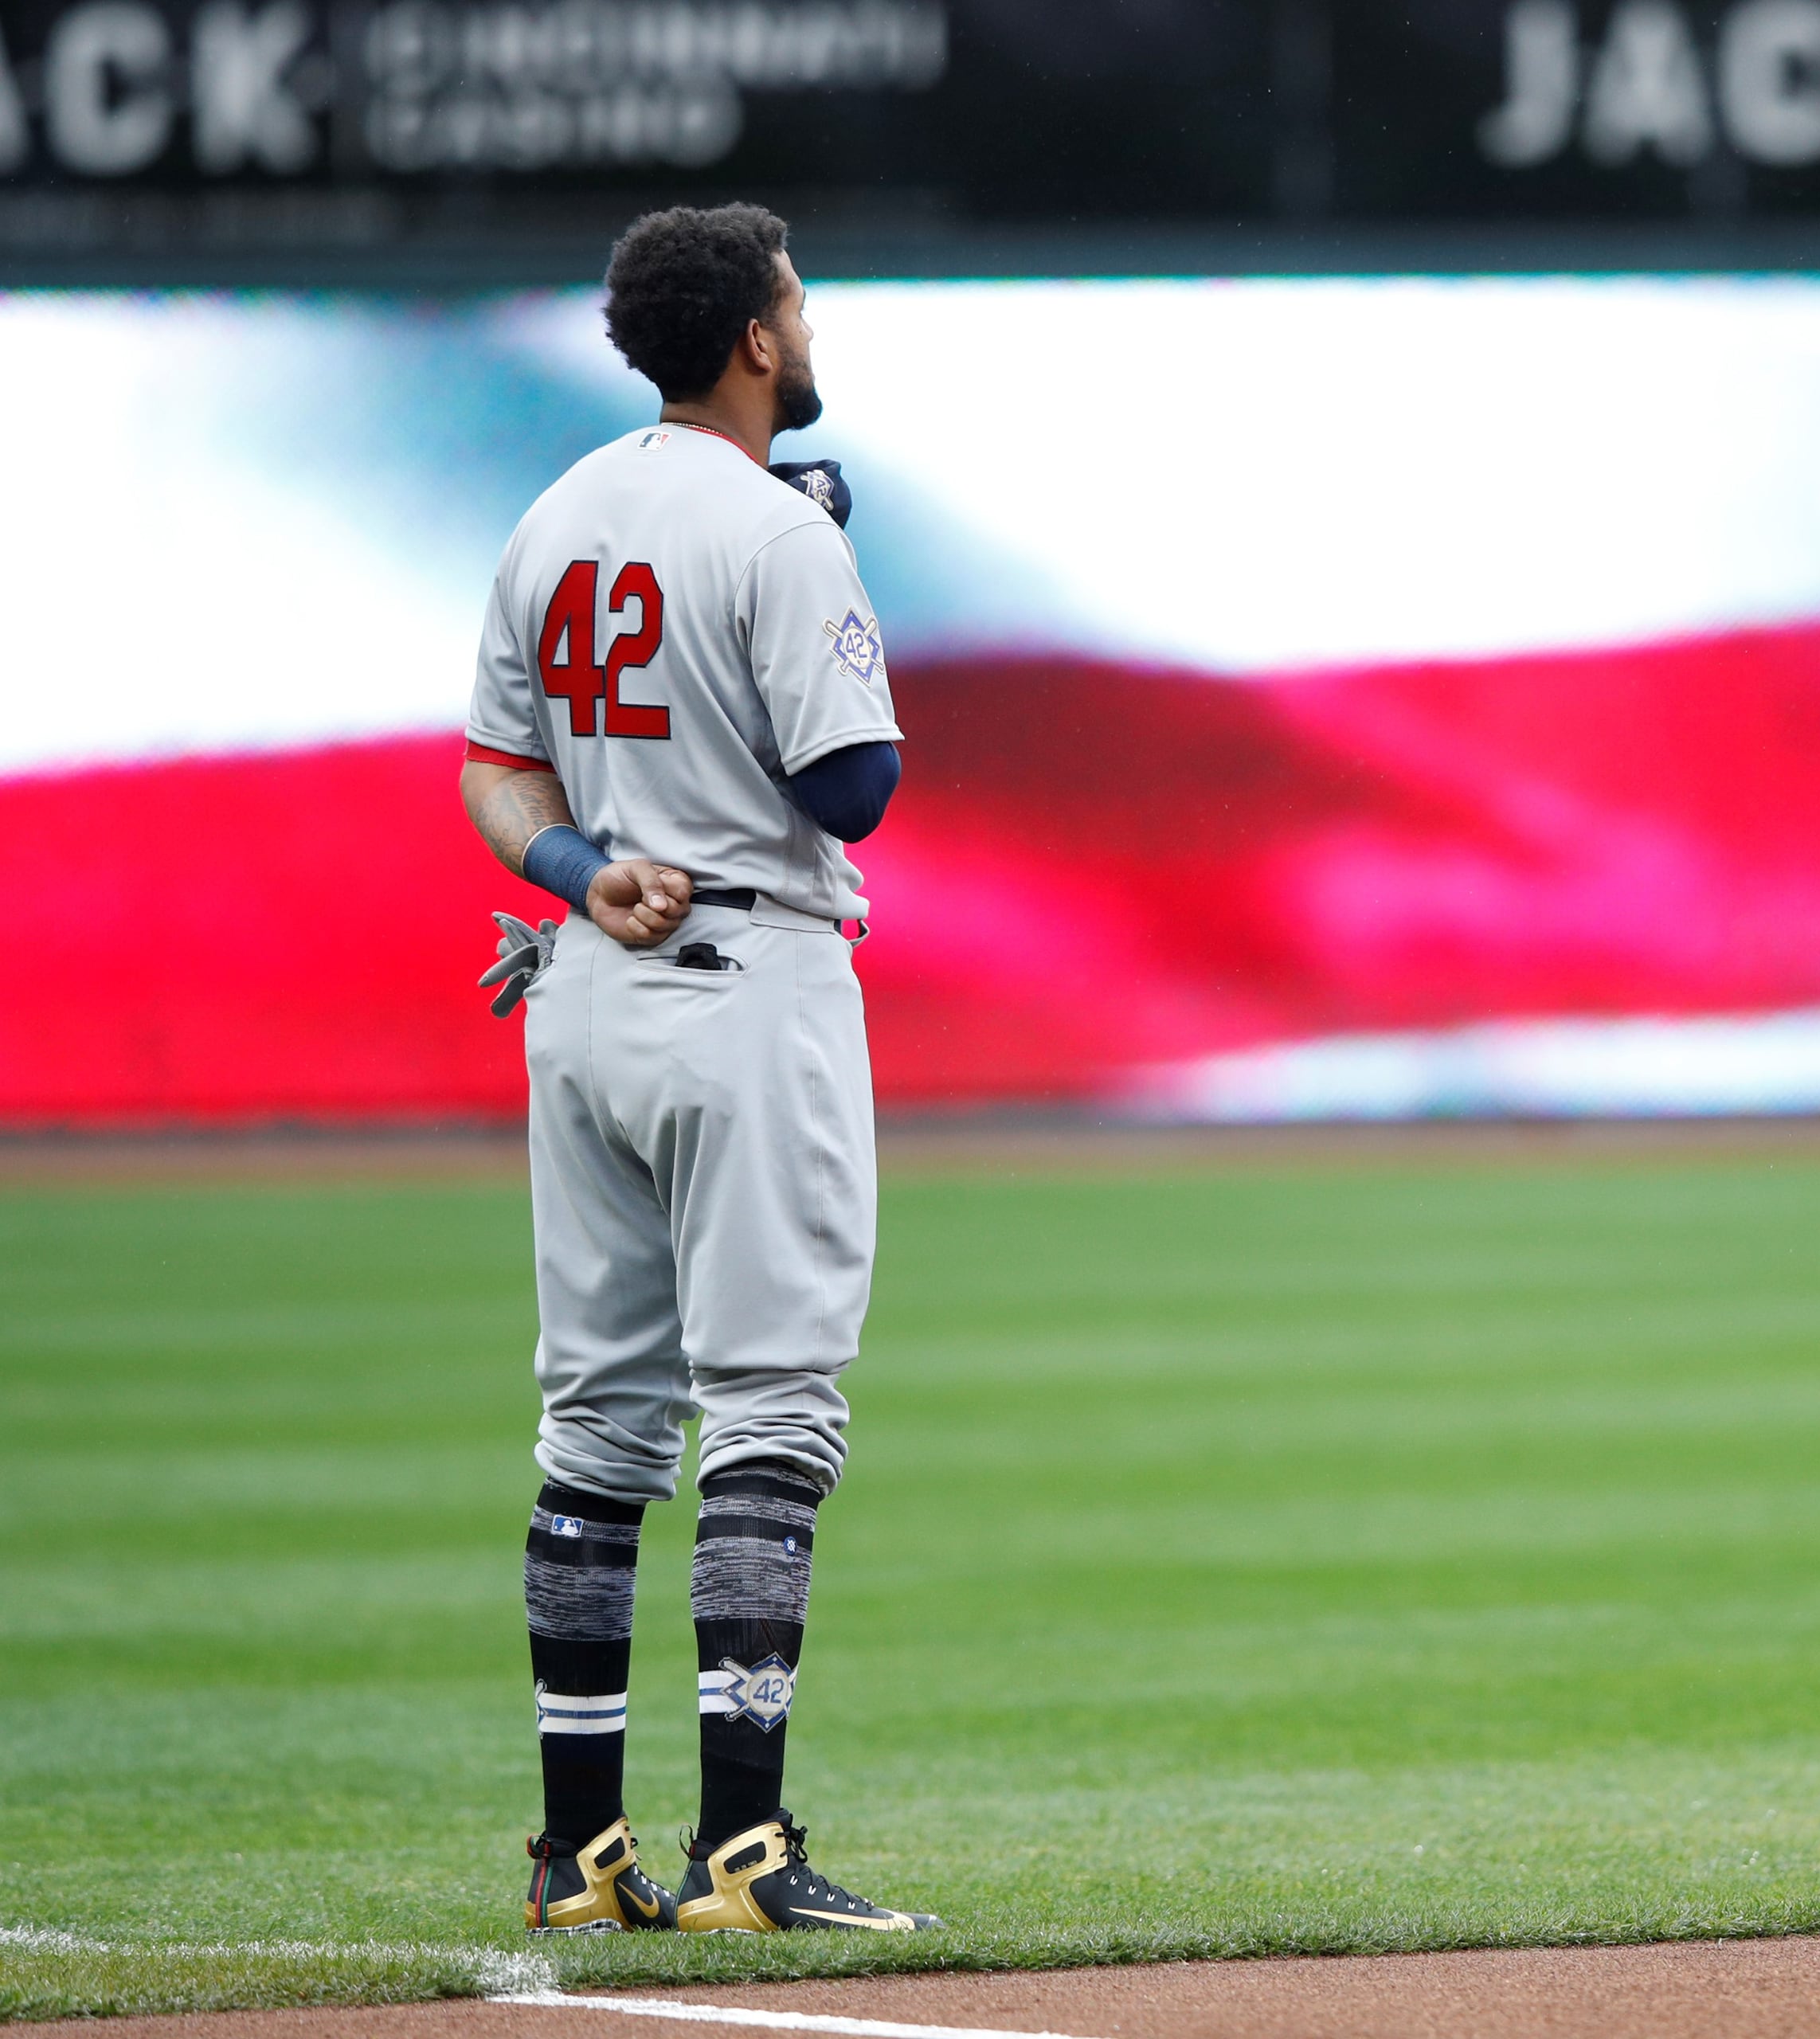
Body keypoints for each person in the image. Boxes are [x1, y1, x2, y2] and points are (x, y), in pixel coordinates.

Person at [458, 202, 931, 1935]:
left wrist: (584, 872)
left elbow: (495, 770)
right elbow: (855, 787)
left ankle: (578, 1849)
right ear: (752, 338)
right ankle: (745, 1841)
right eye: (795, 303)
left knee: (595, 1422)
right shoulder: (778, 527)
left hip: (585, 977)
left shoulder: (557, 510)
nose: (805, 331)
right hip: (749, 982)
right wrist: (827, 562)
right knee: (771, 1411)